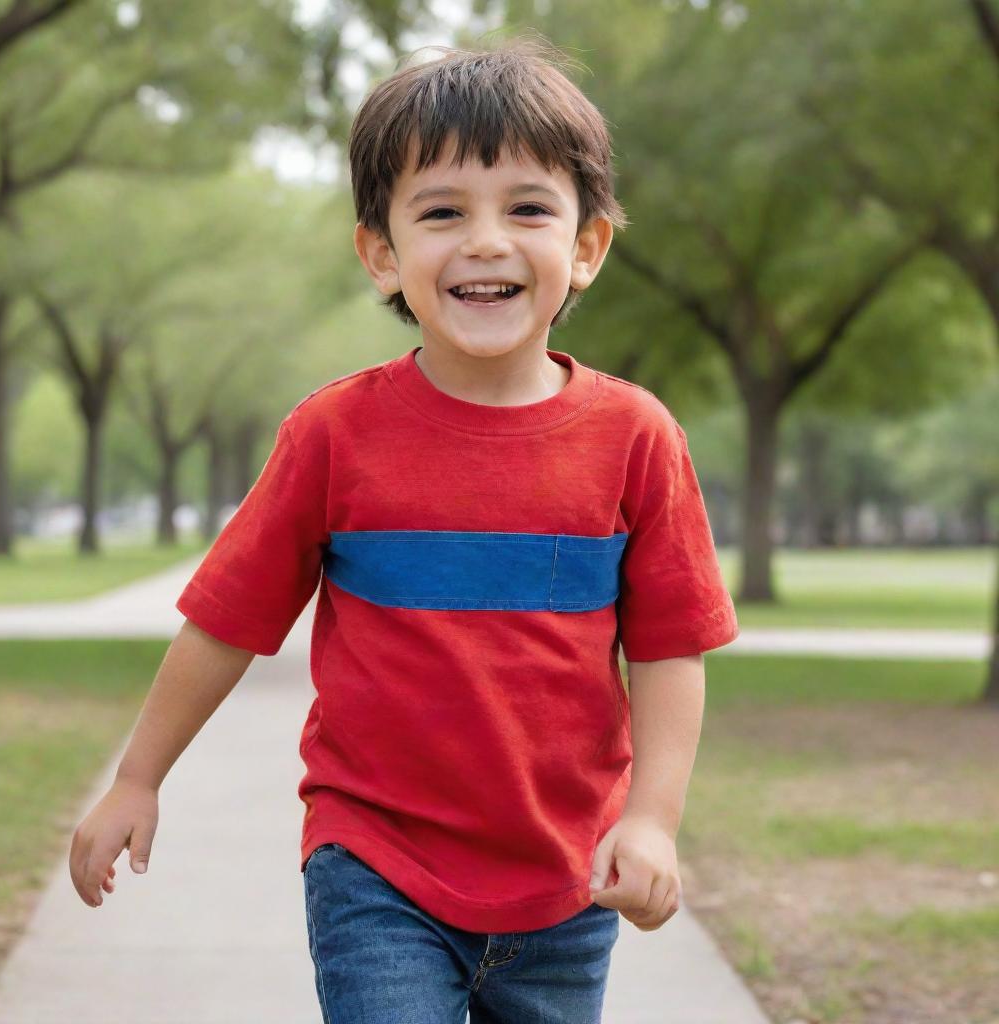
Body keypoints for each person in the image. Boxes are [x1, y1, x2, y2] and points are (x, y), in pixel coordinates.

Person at [68, 35, 740, 1024]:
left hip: (566, 877)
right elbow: (227, 620)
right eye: (440, 213)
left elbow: (672, 647)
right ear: (381, 251)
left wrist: (651, 820)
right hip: (376, 864)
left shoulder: (634, 438)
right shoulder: (334, 435)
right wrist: (137, 775)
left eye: (527, 208)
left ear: (586, 247)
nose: (484, 241)